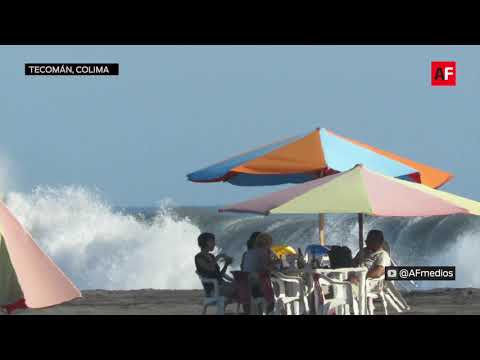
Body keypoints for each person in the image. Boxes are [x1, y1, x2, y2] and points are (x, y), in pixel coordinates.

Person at [194, 232, 236, 299]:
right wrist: (219, 256)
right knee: (242, 289)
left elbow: (219, 275)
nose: (214, 244)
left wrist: (226, 264)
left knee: (243, 286)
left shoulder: (212, 256)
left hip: (222, 285)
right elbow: (210, 268)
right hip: (213, 289)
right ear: (207, 242)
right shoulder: (199, 257)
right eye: (213, 242)